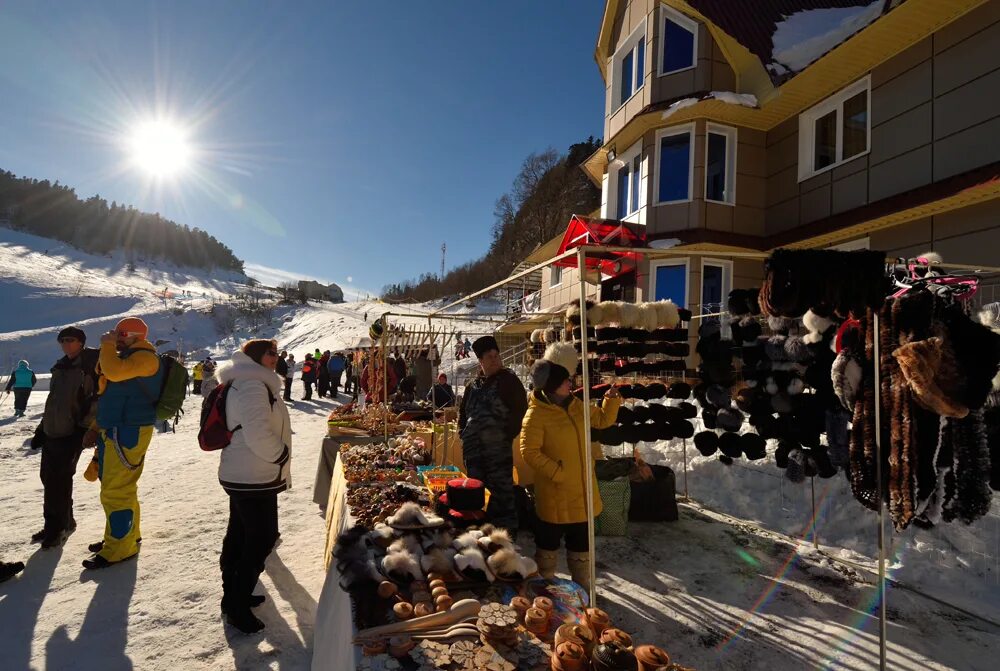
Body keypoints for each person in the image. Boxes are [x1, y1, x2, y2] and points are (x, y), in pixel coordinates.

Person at [520, 343, 620, 592]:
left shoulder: (576, 405)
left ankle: (583, 591)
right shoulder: (536, 415)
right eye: (565, 381)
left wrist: (611, 401)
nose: (570, 383)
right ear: (553, 386)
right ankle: (544, 591)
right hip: (555, 493)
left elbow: (603, 420)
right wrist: (556, 472)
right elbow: (528, 451)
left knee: (581, 546)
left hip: (582, 492)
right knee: (548, 545)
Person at [216, 339, 291, 634]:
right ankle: (236, 604)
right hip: (252, 475)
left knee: (240, 533)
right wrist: (280, 455)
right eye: (270, 353)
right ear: (256, 357)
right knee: (262, 537)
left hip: (246, 472)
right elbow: (258, 433)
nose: (276, 357)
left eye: (276, 352)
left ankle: (234, 593)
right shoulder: (252, 385)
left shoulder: (250, 381)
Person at [83, 317, 163, 570]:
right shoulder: (128, 358)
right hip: (116, 429)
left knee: (116, 490)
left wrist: (106, 345)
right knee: (119, 487)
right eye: (115, 333)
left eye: (122, 333)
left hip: (128, 431)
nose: (116, 337)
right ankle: (126, 536)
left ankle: (119, 547)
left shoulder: (146, 359)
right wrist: (97, 427)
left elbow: (113, 372)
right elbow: (111, 393)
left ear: (138, 336)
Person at [30, 327, 100, 549]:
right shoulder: (61, 366)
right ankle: (64, 521)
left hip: (71, 432)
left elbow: (95, 400)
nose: (66, 344)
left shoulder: (88, 367)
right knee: (48, 478)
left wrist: (82, 430)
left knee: (58, 481)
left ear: (81, 342)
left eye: (71, 340)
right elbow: (53, 401)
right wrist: (42, 429)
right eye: (63, 340)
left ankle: (57, 528)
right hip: (53, 430)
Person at [459, 335, 528, 531]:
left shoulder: (509, 381)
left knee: (502, 497)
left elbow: (520, 410)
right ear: (481, 361)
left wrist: (506, 436)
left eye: (497, 355)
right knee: (478, 496)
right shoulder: (473, 386)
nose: (495, 359)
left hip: (497, 454)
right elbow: (463, 414)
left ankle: (507, 539)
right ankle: (482, 537)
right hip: (473, 455)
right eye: (490, 357)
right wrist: (463, 435)